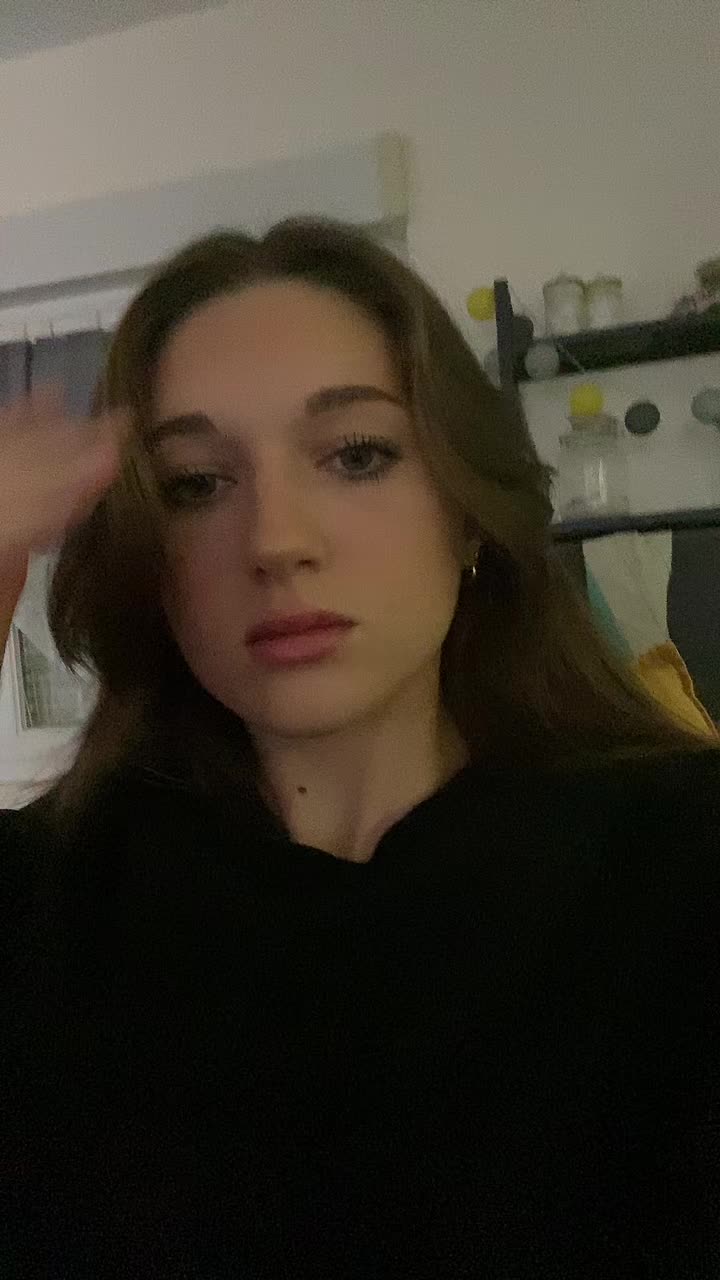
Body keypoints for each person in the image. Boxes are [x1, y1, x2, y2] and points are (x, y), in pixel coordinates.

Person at [0, 218, 718, 1279]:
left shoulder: (686, 863)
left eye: (357, 455)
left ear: (468, 512)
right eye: (196, 483)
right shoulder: (43, 906)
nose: (276, 540)